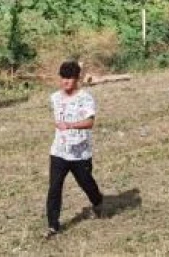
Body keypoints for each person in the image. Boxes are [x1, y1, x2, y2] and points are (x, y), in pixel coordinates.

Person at [45, 60, 104, 239]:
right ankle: (53, 225)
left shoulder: (85, 98)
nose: (65, 81)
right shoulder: (54, 98)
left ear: (76, 79)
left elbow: (90, 122)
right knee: (54, 188)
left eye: (69, 78)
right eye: (63, 77)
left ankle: (98, 201)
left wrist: (70, 125)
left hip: (80, 153)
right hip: (59, 151)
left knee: (86, 184)